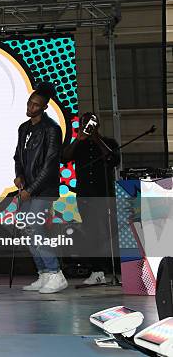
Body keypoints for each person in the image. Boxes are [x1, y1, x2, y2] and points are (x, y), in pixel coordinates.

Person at [13, 81, 68, 294]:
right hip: (27, 189)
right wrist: (18, 176)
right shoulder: (23, 128)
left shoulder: (52, 129)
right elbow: (18, 156)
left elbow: (50, 164)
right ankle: (44, 274)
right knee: (27, 230)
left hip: (43, 190)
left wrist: (31, 189)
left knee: (35, 227)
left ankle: (55, 274)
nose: (31, 107)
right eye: (30, 103)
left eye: (36, 105)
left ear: (44, 107)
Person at [62, 112, 120, 285]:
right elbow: (64, 157)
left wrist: (96, 138)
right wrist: (79, 139)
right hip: (85, 195)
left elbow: (113, 159)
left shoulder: (109, 143)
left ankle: (111, 269)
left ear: (97, 125)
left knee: (108, 233)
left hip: (105, 194)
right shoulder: (79, 145)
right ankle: (97, 270)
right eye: (84, 124)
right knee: (91, 233)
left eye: (90, 124)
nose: (87, 127)